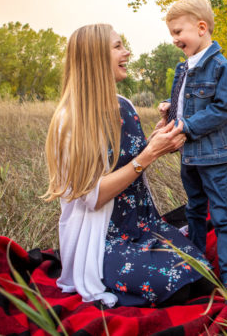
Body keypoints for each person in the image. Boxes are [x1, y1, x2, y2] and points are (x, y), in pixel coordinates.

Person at [44, 24, 213, 308]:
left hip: (143, 225)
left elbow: (130, 157)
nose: (127, 53)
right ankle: (107, 277)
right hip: (104, 239)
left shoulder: (123, 105)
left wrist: (159, 138)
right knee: (176, 285)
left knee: (203, 275)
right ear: (95, 56)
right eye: (118, 47)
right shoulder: (70, 120)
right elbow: (92, 197)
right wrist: (149, 155)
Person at [157, 0, 227, 303]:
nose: (175, 39)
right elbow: (186, 102)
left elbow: (223, 109)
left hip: (215, 156)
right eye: (172, 34)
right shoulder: (184, 68)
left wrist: (186, 126)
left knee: (221, 215)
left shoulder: (221, 68)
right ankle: (196, 267)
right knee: (193, 209)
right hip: (189, 154)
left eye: (178, 32)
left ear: (202, 27)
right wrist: (171, 109)